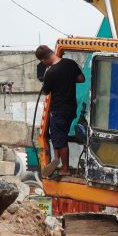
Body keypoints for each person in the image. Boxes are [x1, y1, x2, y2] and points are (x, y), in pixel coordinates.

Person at [36, 44, 84, 176]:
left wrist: (47, 76)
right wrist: (67, 80)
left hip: (58, 109)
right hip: (71, 108)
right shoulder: (70, 63)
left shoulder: (50, 72)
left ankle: (65, 169)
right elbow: (81, 79)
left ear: (44, 60)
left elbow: (46, 92)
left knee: (60, 138)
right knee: (58, 135)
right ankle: (57, 160)